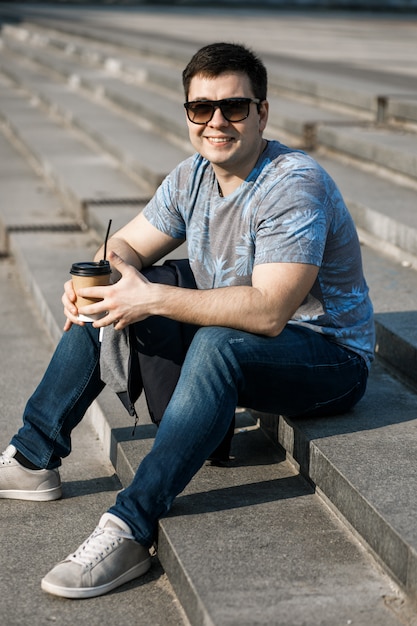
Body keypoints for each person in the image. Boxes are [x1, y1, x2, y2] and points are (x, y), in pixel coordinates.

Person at [0, 42, 374, 599]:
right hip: (240, 342)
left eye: (235, 108)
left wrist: (147, 298)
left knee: (211, 335)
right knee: (109, 286)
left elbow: (270, 312)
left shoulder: (294, 183)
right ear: (188, 114)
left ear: (262, 112)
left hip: (327, 358)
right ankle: (32, 458)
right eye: (202, 108)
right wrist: (105, 280)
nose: (216, 122)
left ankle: (130, 526)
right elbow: (125, 243)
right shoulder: (192, 176)